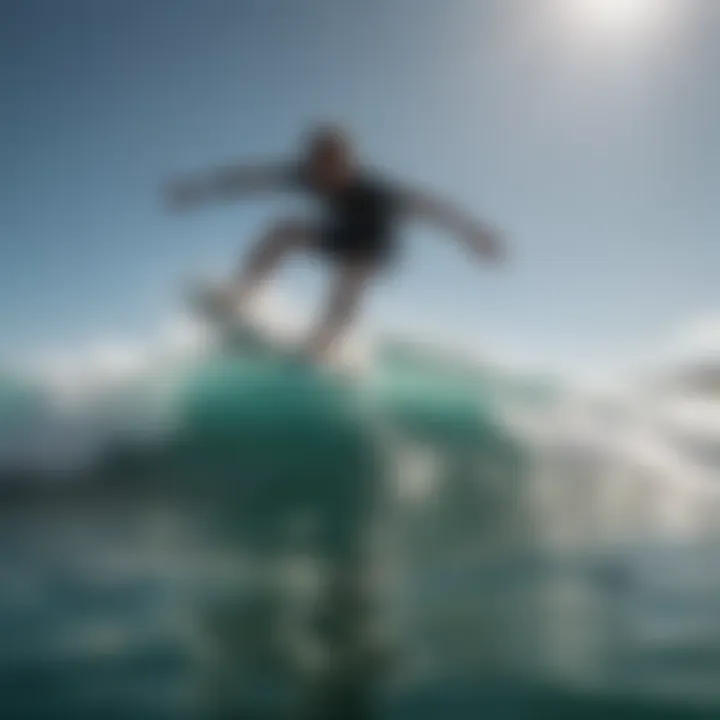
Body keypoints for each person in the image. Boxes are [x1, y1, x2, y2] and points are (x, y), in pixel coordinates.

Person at [165, 124, 506, 362]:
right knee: (284, 230)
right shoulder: (308, 175)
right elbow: (251, 179)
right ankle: (239, 297)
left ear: (348, 163)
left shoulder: (375, 190)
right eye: (318, 165)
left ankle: (324, 343)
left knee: (352, 273)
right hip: (341, 235)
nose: (324, 176)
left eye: (333, 165)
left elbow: (429, 207)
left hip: (376, 244)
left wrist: (473, 233)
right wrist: (198, 190)